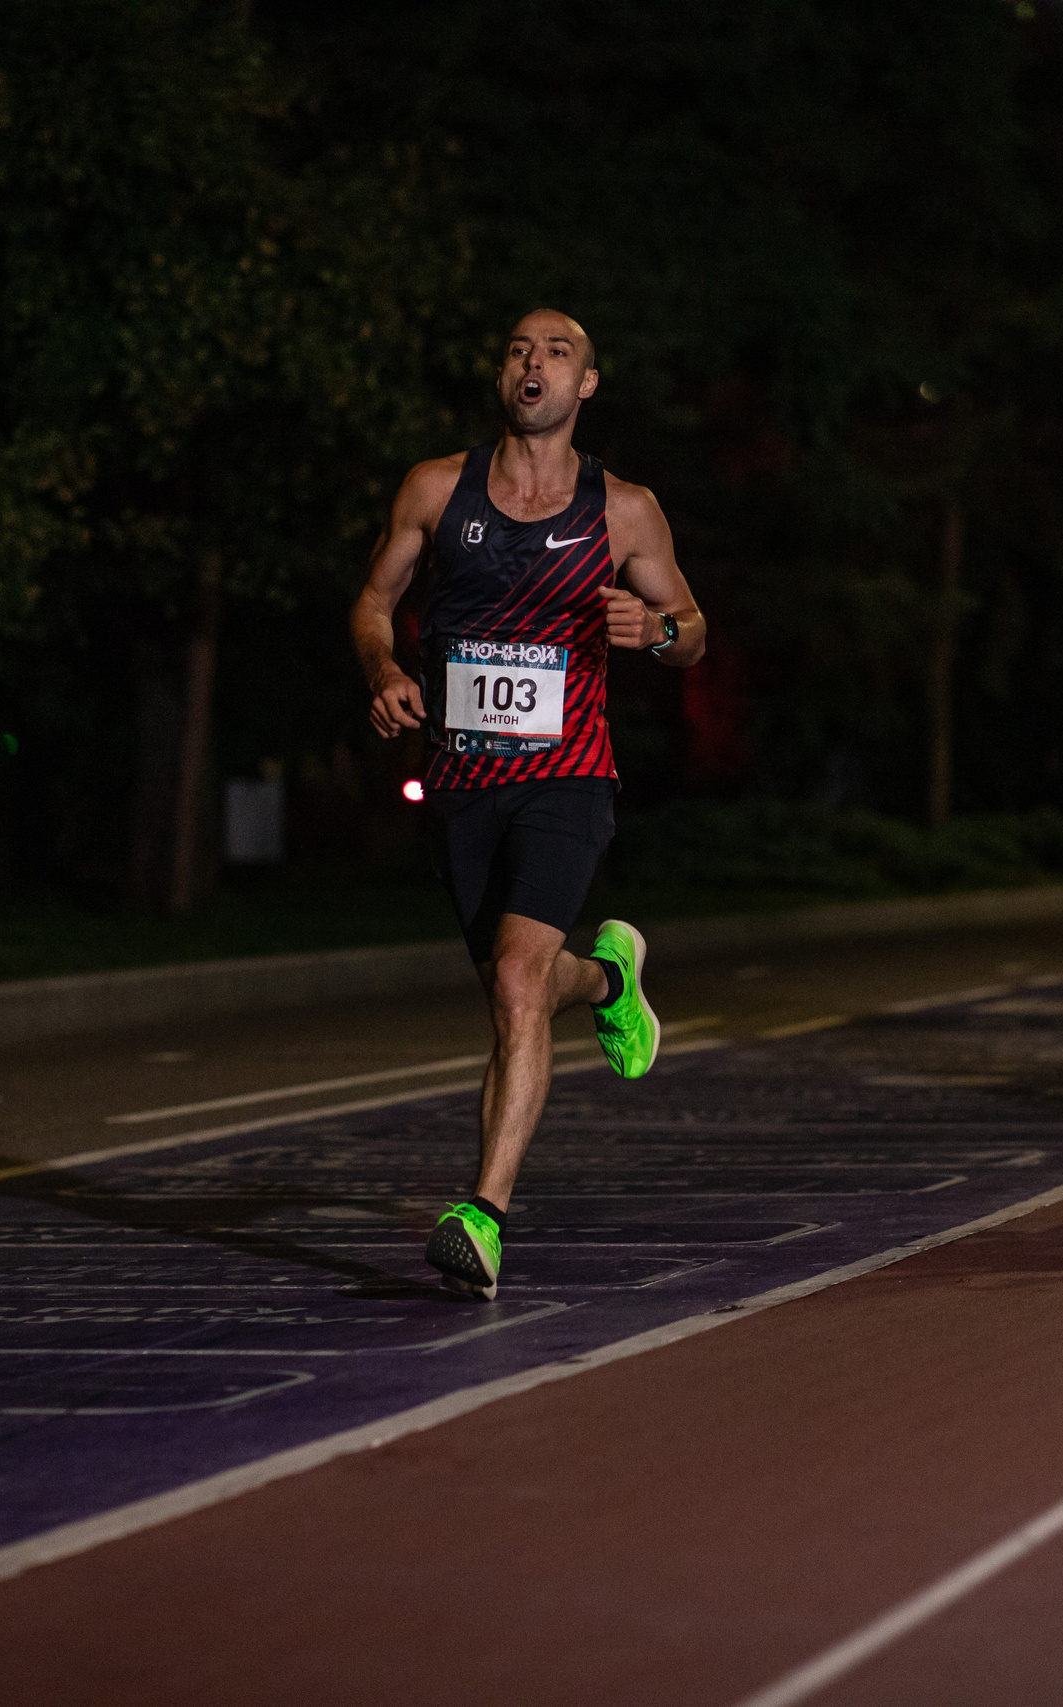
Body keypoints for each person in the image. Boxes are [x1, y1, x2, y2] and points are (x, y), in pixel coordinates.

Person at [349, 308, 707, 1298]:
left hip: (567, 776)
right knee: (524, 987)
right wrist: (380, 667)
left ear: (586, 384)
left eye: (557, 352)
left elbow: (692, 626)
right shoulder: (436, 487)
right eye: (519, 349)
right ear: (502, 376)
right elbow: (374, 601)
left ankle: (483, 1215)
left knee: (513, 982)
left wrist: (659, 632)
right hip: (463, 787)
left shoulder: (621, 509)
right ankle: (606, 979)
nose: (533, 362)